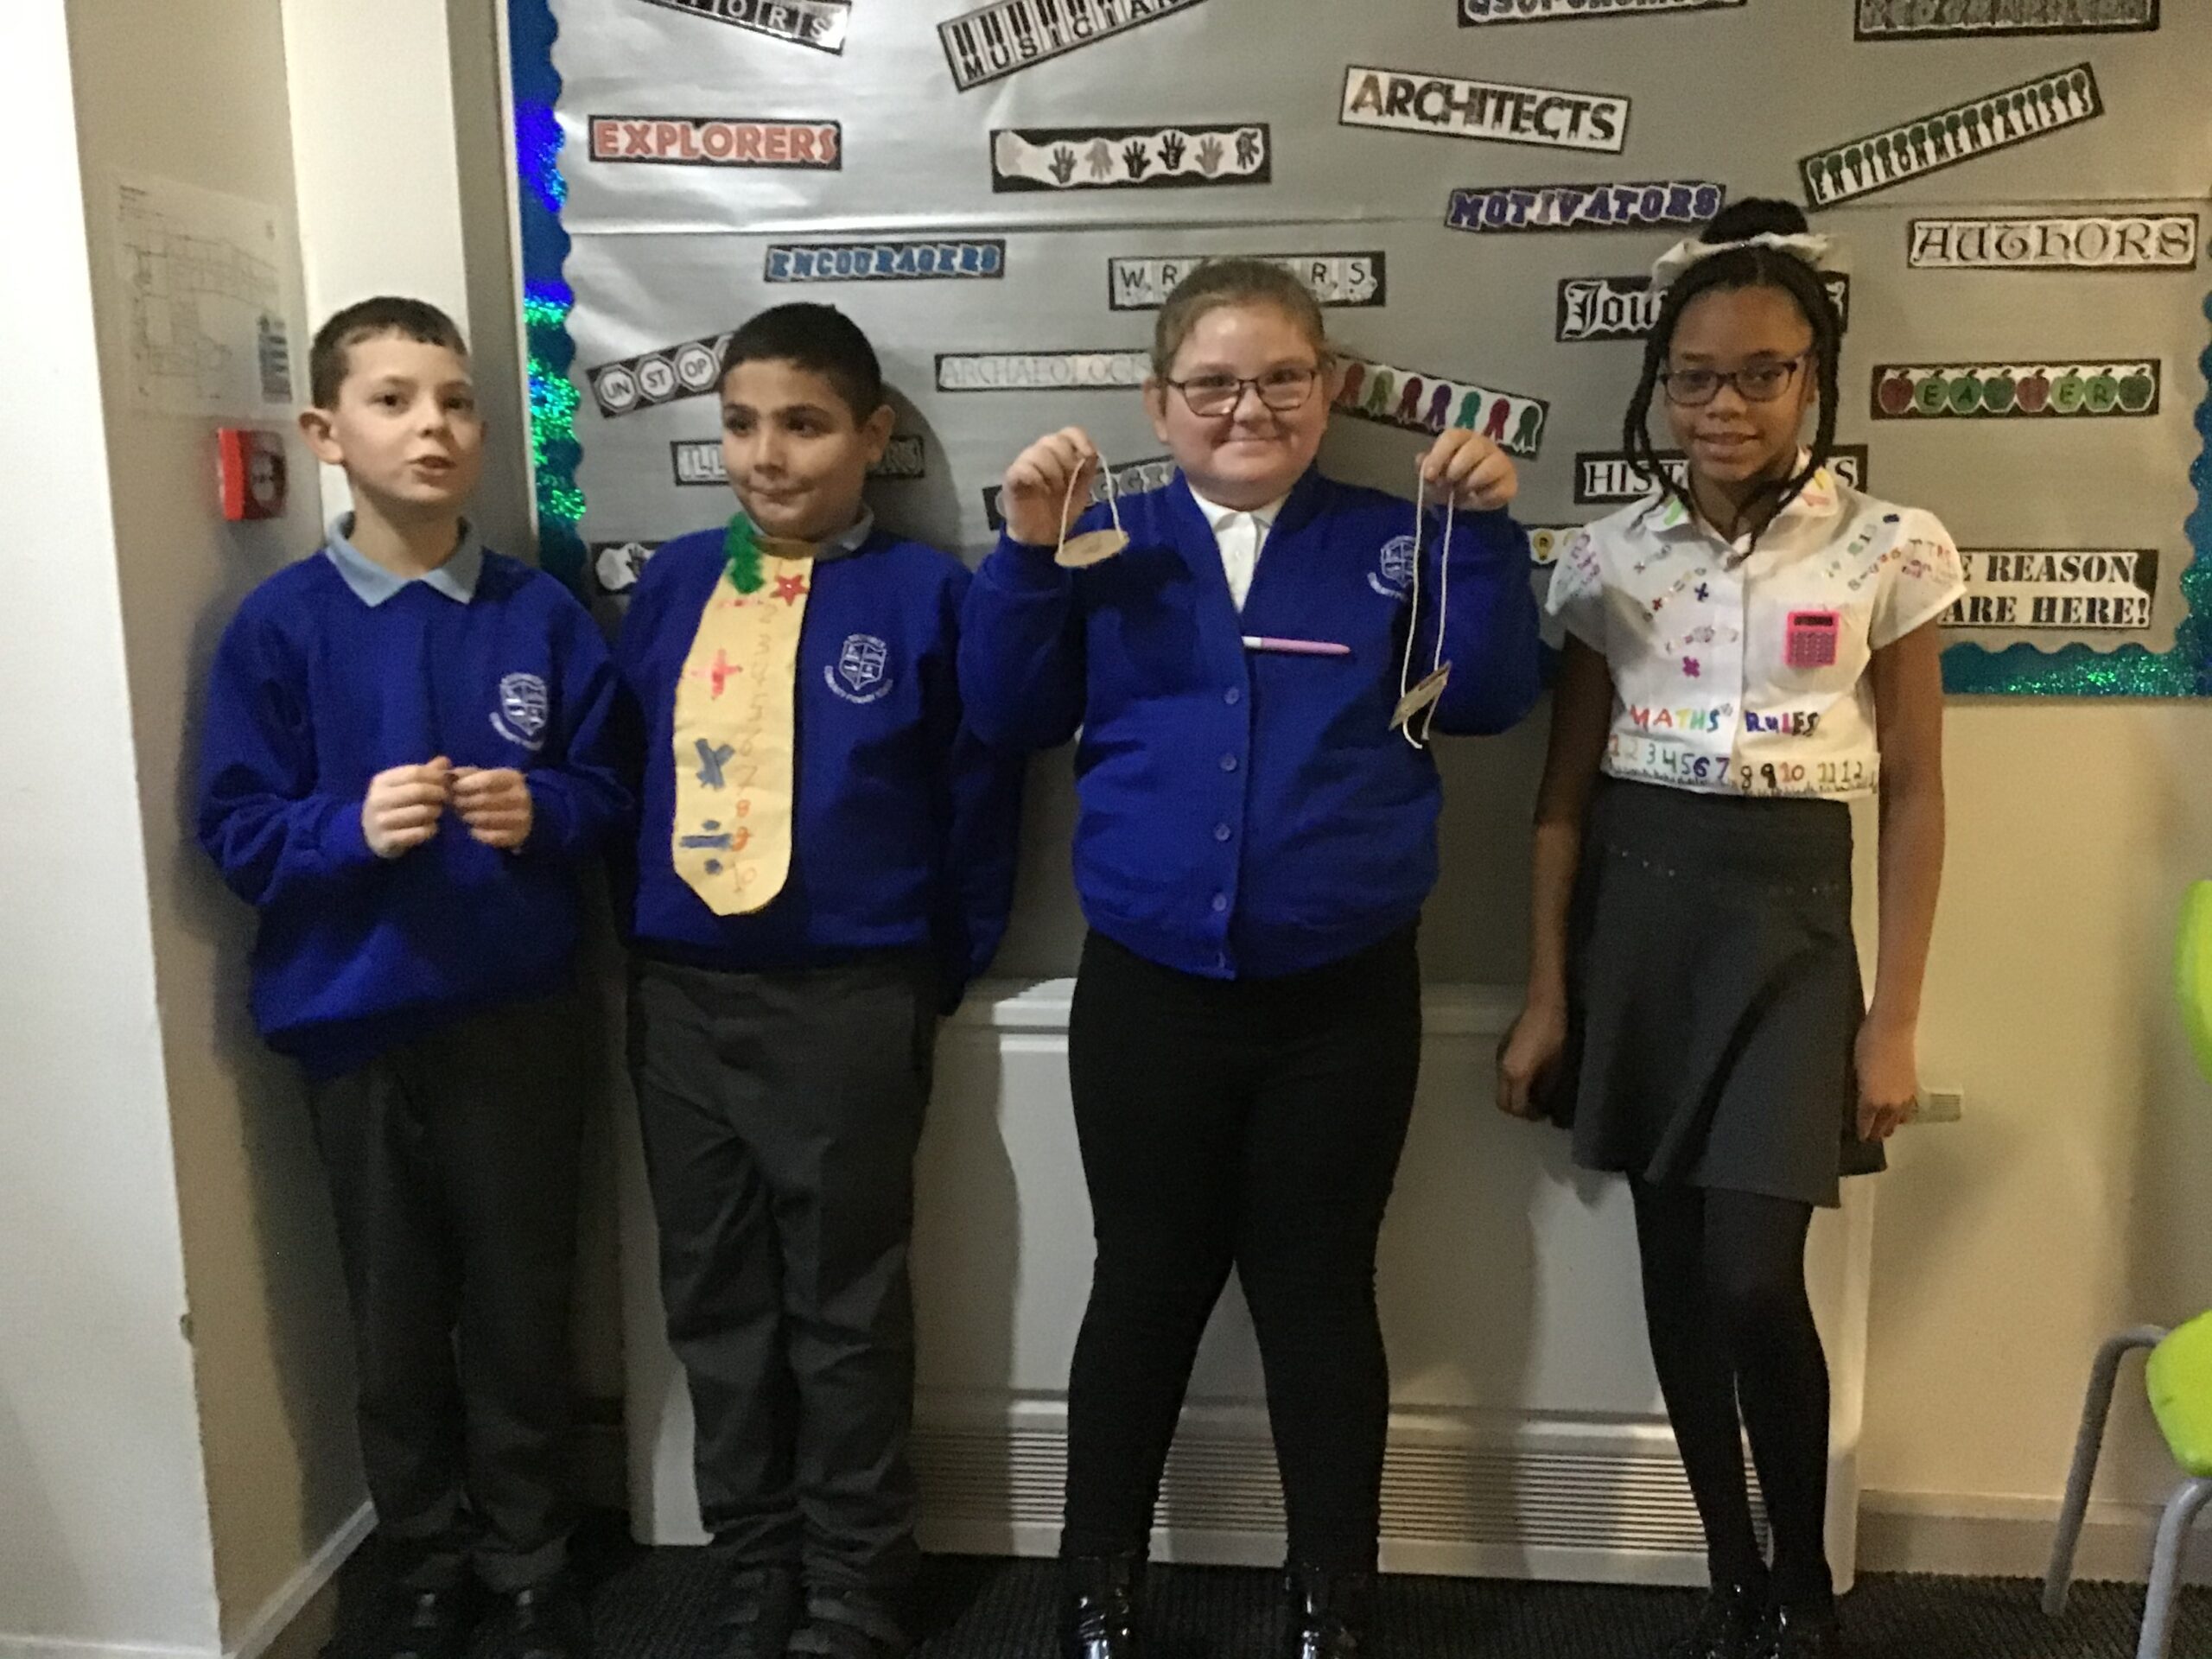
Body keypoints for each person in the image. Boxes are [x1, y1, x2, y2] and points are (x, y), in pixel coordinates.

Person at [960, 259, 1543, 1659]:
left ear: (1329, 389)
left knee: (1319, 1294)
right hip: (1150, 990)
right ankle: (1095, 1583)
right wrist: (1026, 554)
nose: (1250, 408)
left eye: (1283, 378)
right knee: (1143, 1286)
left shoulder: (1397, 534)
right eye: (1213, 384)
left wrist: (1481, 538)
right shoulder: (1106, 540)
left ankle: (1334, 1594)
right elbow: (1006, 709)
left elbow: (1492, 699)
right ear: (1159, 402)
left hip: (1342, 998)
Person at [1497, 200, 1961, 1659]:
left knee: (1754, 1276)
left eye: (1763, 373)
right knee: (1676, 1278)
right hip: (1642, 915)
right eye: (1695, 376)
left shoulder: (1892, 547)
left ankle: (1803, 1576)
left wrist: (1894, 1018)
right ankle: (1729, 1573)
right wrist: (1549, 994)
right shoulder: (1605, 557)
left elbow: (1918, 791)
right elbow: (1561, 800)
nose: (1726, 406)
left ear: (1814, 377)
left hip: (1795, 925)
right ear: (1659, 384)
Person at [197, 297, 629, 1658]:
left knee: (521, 1304)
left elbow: (614, 791)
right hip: (355, 1021)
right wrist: (347, 829)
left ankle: (529, 1558)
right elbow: (233, 829)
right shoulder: (278, 627)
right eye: (392, 401)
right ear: (326, 432)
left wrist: (544, 810)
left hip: (517, 1017)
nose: (432, 427)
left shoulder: (538, 613)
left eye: (454, 401)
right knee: (390, 1316)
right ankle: (426, 1560)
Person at [615, 303, 1023, 1659]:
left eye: (803, 424)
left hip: (849, 995)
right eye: (740, 424)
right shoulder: (679, 584)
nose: (767, 455)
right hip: (684, 995)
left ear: (871, 435)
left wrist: (927, 967)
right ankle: (754, 1558)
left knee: (844, 1305)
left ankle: (856, 1573)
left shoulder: (926, 598)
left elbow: (978, 800)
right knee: (715, 1300)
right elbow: (626, 771)